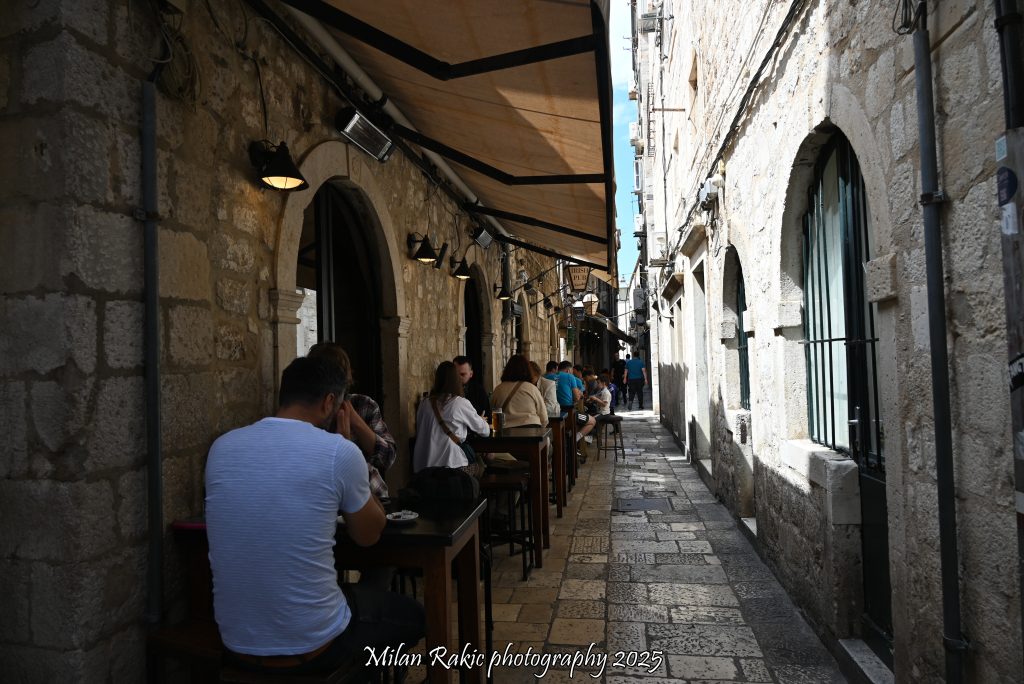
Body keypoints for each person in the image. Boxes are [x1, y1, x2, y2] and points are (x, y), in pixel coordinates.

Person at [205, 356, 424, 675]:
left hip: (237, 642)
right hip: (314, 645)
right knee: (414, 617)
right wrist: (351, 451)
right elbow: (369, 535)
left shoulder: (221, 448)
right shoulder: (338, 451)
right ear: (329, 402)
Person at [307, 342, 396, 499]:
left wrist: (356, 421)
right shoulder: (307, 414)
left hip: (372, 496)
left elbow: (387, 458)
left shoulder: (364, 405)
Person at [414, 361, 490, 476]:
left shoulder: (424, 403)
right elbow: (485, 431)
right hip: (452, 469)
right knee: (480, 466)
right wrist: (481, 421)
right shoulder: (460, 403)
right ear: (456, 380)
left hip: (423, 471)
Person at [490, 355, 549, 428]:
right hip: (531, 429)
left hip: (507, 431)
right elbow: (544, 418)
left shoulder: (498, 389)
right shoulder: (532, 388)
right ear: (527, 370)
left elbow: (493, 412)